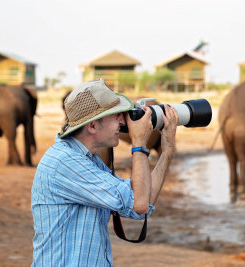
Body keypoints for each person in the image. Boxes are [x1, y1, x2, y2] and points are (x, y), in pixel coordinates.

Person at [31, 79, 178, 267]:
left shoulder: (86, 159)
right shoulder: (66, 162)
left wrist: (167, 152)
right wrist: (139, 144)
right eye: (115, 115)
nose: (123, 121)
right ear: (92, 126)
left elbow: (140, 207)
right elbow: (139, 204)